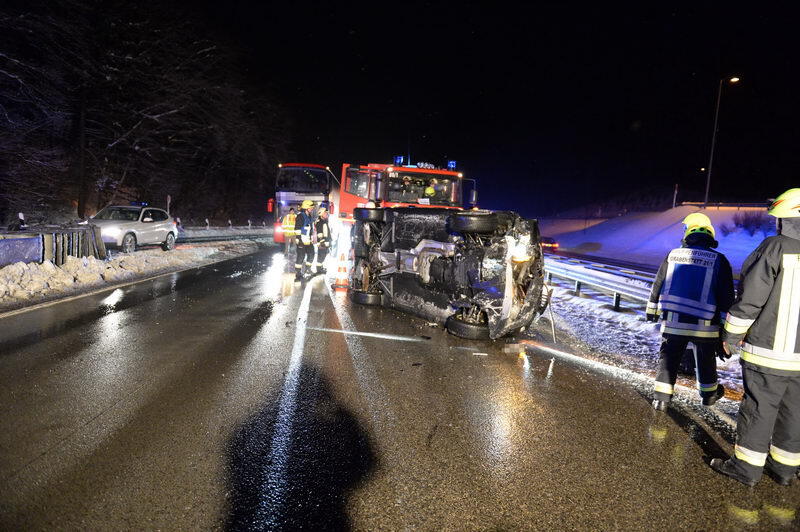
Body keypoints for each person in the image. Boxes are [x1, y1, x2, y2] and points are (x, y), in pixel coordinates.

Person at [710, 188, 800, 487]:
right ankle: (785, 469)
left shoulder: (774, 249)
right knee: (794, 411)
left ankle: (746, 468)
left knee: (760, 408)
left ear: (785, 219)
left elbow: (750, 299)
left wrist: (731, 335)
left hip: (770, 353)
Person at [646, 212, 735, 411]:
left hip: (674, 322)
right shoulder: (719, 260)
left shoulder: (673, 255)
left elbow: (658, 283)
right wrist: (724, 327)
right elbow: (726, 296)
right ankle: (709, 396)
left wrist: (651, 310)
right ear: (710, 236)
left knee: (668, 359)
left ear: (688, 234)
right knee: (705, 360)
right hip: (705, 326)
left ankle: (661, 399)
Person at [294, 200, 315, 281]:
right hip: (301, 240)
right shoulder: (300, 216)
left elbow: (310, 228)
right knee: (301, 257)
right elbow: (297, 229)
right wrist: (299, 240)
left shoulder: (309, 216)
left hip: (308, 240)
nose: (312, 209)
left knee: (311, 254)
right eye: (311, 207)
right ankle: (298, 274)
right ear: (306, 207)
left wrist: (311, 237)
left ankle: (307, 269)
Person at [313, 207, 332, 275]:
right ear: (321, 214)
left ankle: (320, 268)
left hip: (325, 242)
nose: (326, 214)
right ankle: (318, 270)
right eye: (325, 213)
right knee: (321, 256)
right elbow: (320, 233)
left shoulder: (324, 221)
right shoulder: (319, 222)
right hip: (322, 243)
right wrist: (322, 242)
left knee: (323, 256)